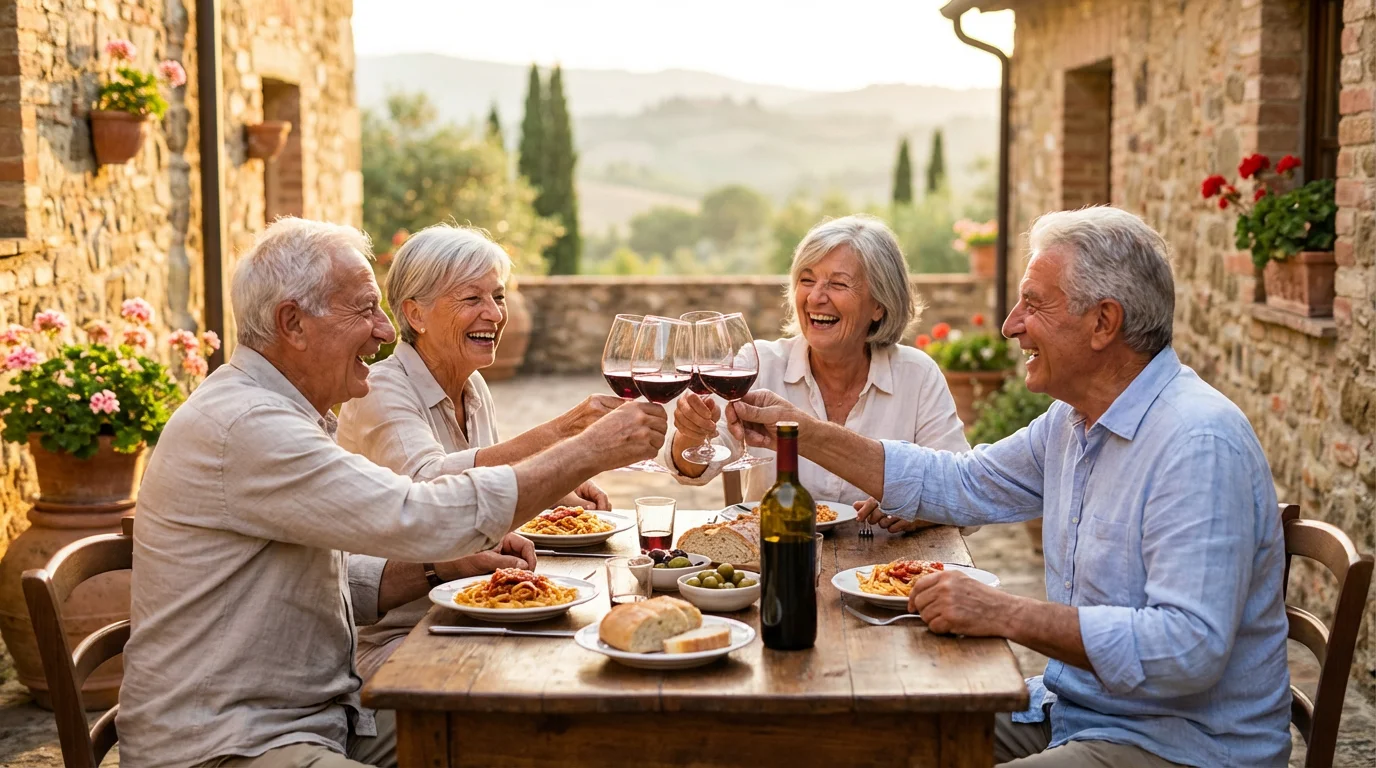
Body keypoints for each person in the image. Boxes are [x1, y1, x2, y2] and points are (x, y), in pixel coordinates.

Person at [725, 207, 1291, 767]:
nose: (1010, 324)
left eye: (1034, 304)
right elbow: (963, 482)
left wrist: (1002, 613)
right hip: (1072, 711)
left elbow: (1187, 649)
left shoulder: (1196, 442)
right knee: (862, 738)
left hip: (1175, 745)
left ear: (1103, 322)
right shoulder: (1074, 421)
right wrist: (802, 432)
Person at [117, 218, 667, 768]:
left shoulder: (281, 413)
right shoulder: (250, 425)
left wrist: (434, 571)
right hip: (231, 742)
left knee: (529, 735)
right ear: (293, 323)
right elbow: (422, 512)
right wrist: (588, 449)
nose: (384, 331)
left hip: (324, 715)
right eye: (365, 309)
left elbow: (324, 583)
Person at [337, 223, 622, 679]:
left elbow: (485, 494)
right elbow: (435, 486)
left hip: (470, 615)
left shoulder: (472, 386)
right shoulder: (381, 390)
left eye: (499, 296)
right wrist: (566, 434)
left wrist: (552, 488)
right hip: (398, 636)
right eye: (472, 299)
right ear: (416, 314)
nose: (493, 313)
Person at [665, 214, 968, 526]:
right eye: (807, 280)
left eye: (837, 284)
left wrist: (915, 508)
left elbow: (963, 494)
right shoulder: (761, 363)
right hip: (775, 558)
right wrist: (691, 432)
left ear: (879, 304)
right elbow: (693, 470)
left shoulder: (916, 375)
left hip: (886, 568)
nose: (815, 297)